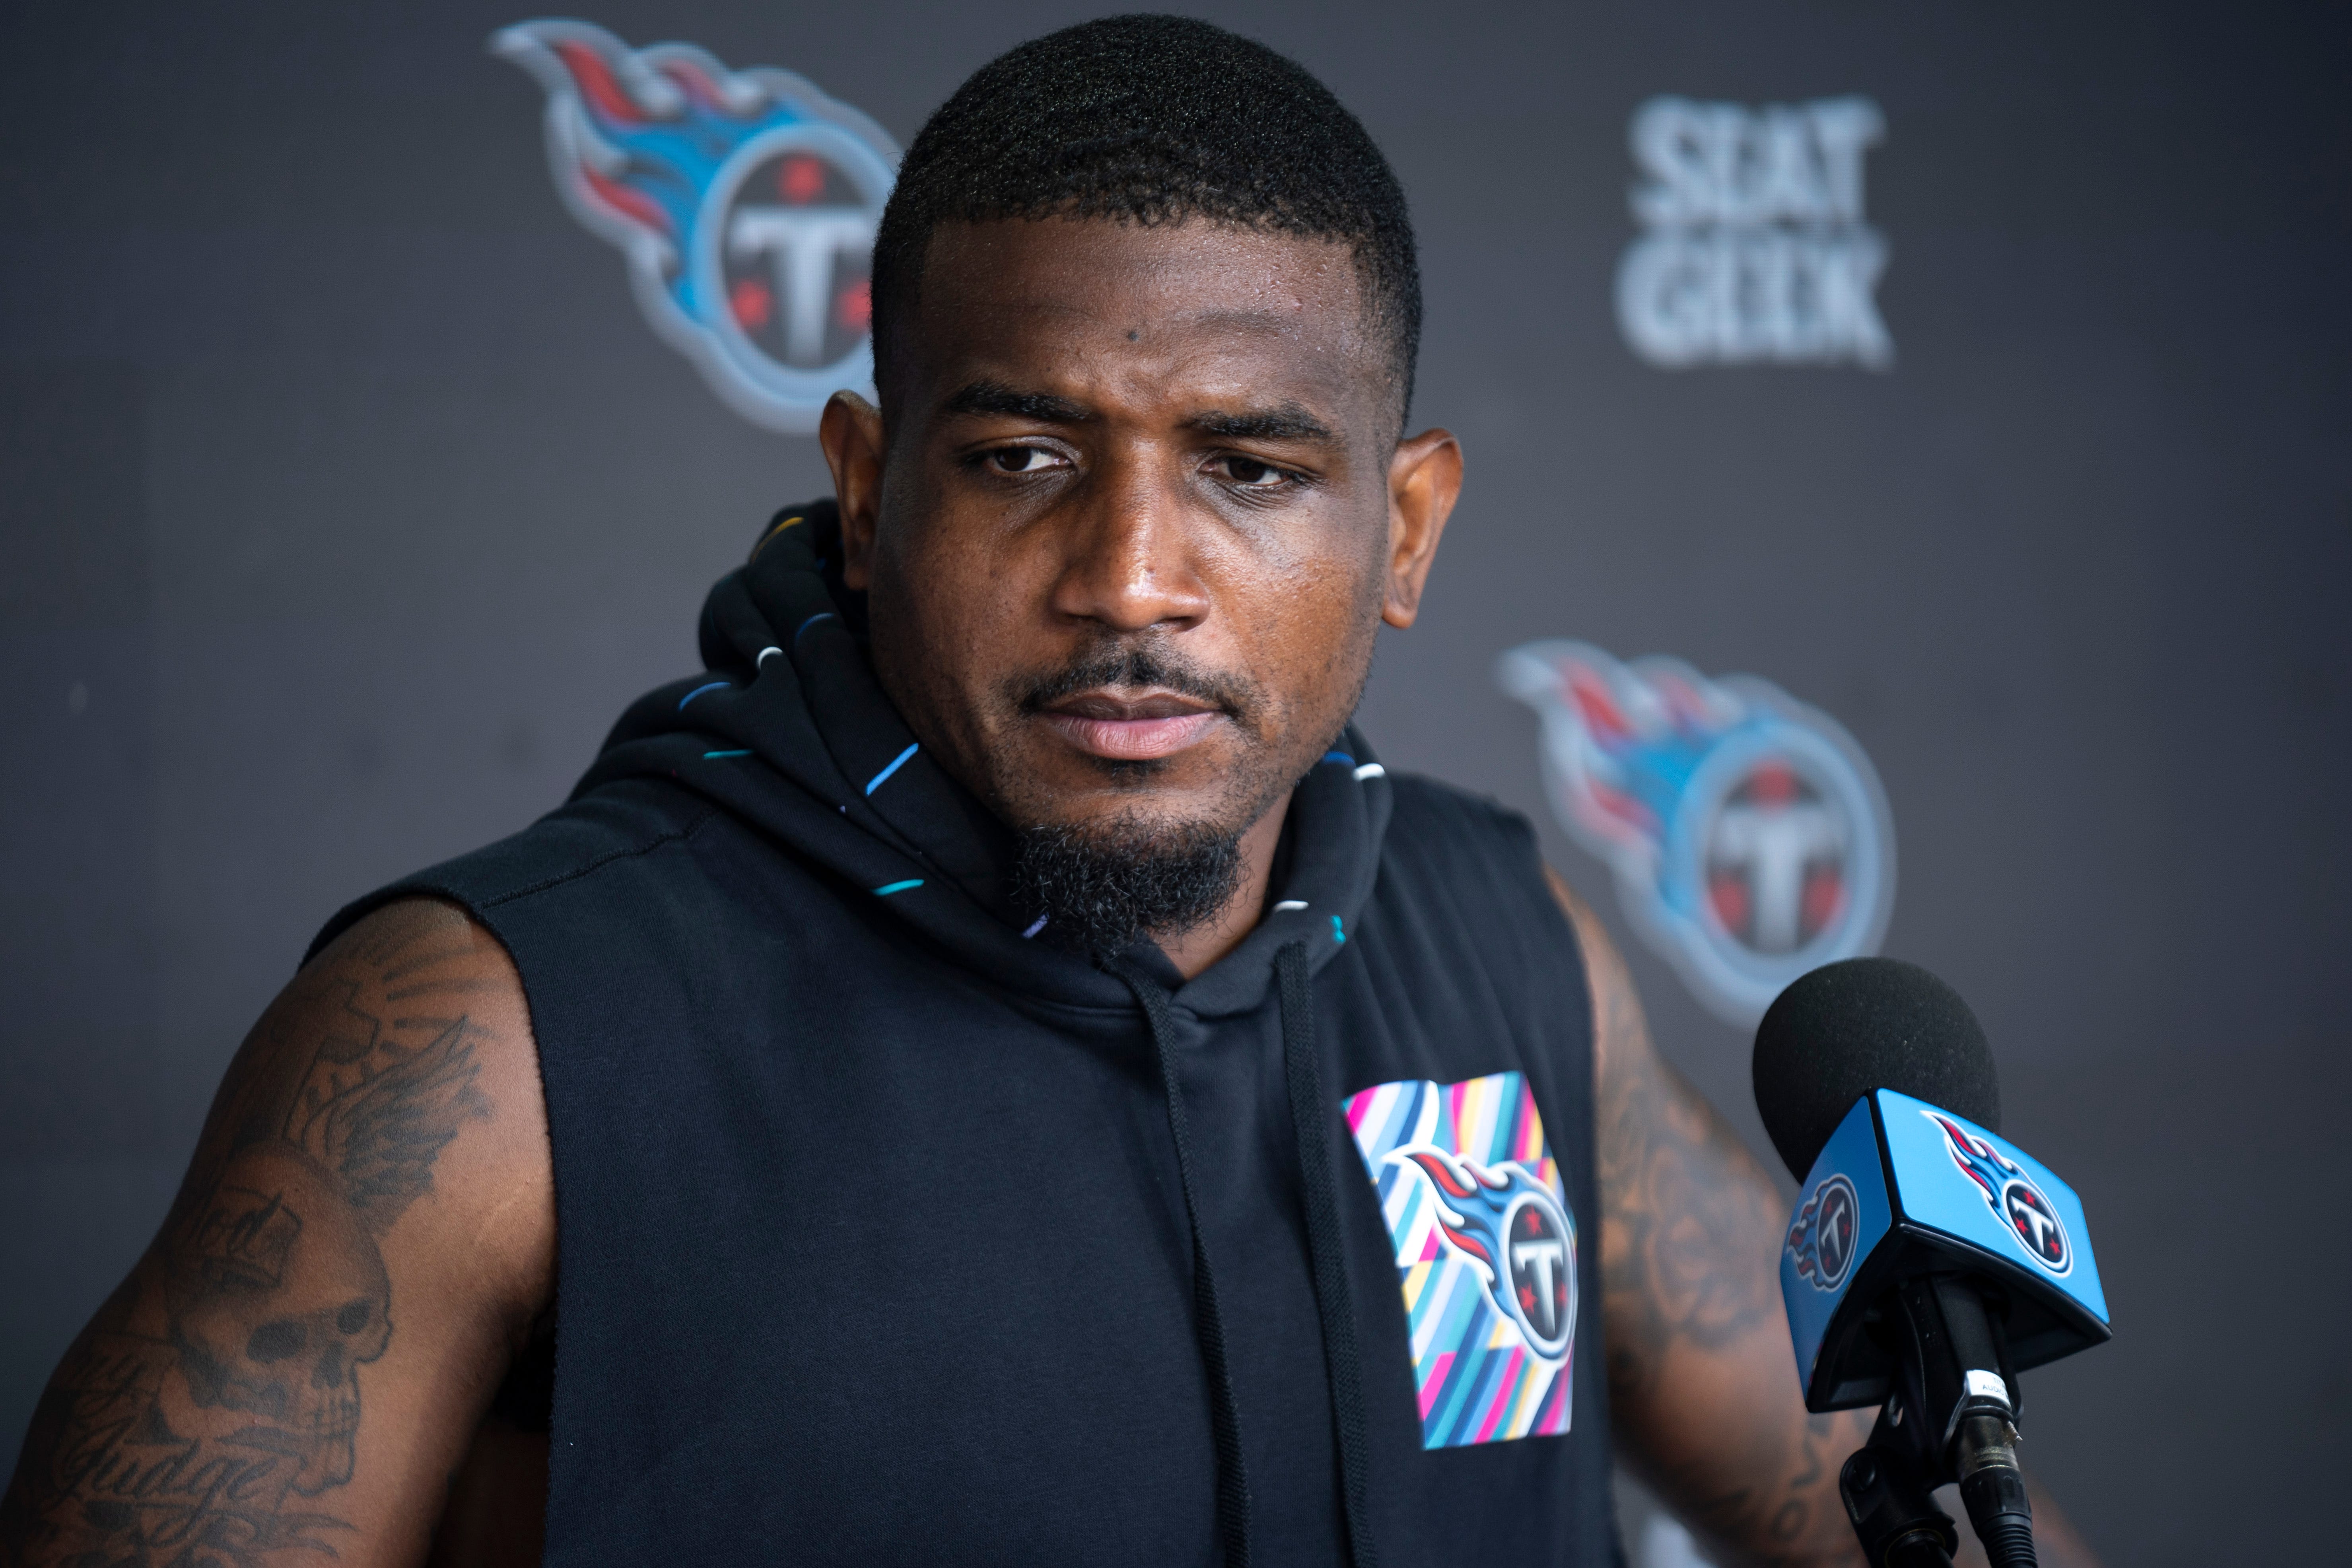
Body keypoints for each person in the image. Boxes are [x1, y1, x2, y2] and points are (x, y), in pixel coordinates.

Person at [1, 17, 2099, 1568]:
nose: (1127, 580)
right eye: (1019, 456)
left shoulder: (1498, 948)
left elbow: (1880, 1503)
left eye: (1252, 468)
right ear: (861, 486)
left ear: (1409, 525)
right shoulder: (485, 1039)